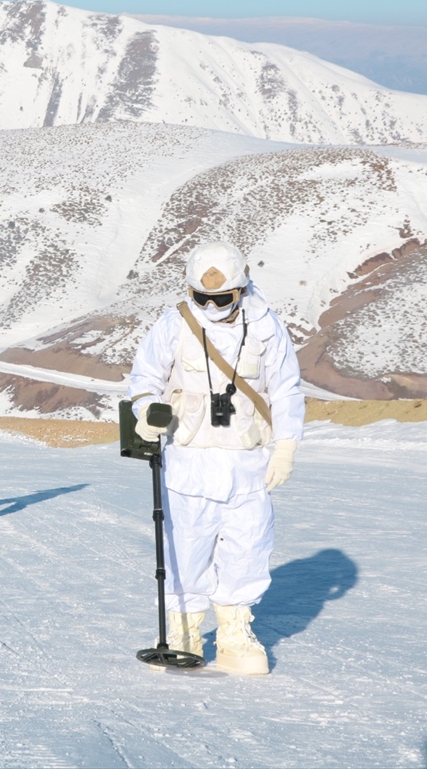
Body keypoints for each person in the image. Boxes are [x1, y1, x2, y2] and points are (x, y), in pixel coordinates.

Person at [127, 241, 303, 675]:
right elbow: (144, 376)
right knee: (186, 547)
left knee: (248, 547)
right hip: (189, 458)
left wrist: (286, 446)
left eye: (220, 298)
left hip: (248, 461)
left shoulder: (265, 326)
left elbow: (285, 388)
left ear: (240, 290)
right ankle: (183, 631)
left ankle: (234, 635)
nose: (209, 305)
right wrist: (147, 409)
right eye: (199, 297)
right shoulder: (173, 325)